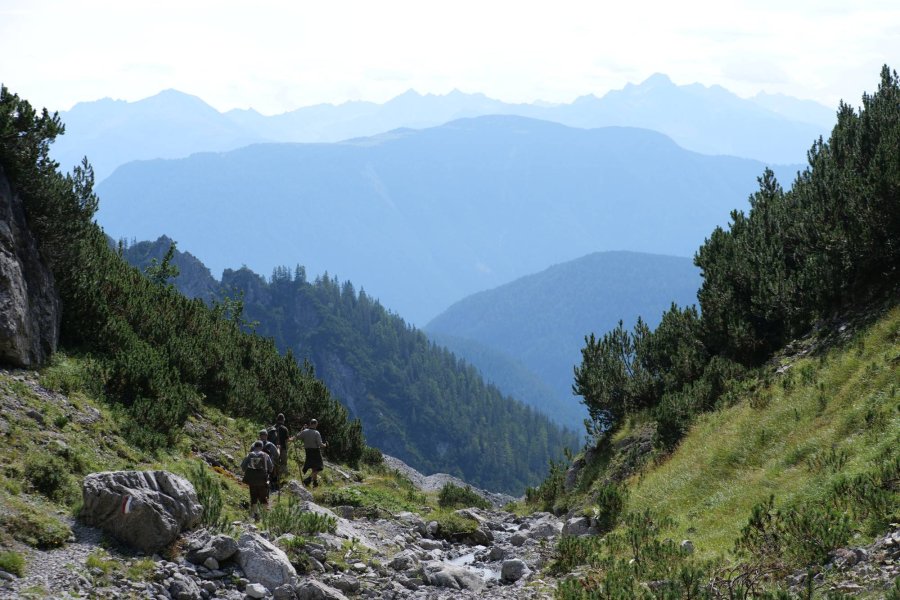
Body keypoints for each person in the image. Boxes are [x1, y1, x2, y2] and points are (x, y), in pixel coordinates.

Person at [240, 440, 274, 519]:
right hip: (262, 479)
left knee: (253, 496)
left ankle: (254, 514)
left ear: (254, 447)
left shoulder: (249, 455)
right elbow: (271, 468)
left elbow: (243, 467)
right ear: (261, 447)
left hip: (252, 480)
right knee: (263, 497)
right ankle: (264, 515)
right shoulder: (265, 455)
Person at [294, 418, 327, 487]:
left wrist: (302, 430)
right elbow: (320, 444)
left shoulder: (304, 431)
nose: (317, 426)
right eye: (316, 424)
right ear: (314, 424)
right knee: (319, 467)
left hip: (308, 451)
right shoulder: (316, 433)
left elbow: (297, 437)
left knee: (314, 468)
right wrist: (325, 445)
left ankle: (315, 483)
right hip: (315, 452)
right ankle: (308, 479)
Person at [275, 413, 290, 487]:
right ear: (283, 420)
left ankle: (274, 478)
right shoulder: (284, 429)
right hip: (282, 448)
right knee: (283, 463)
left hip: (274, 448)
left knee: (275, 463)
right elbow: (287, 440)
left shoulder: (272, 428)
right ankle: (281, 478)